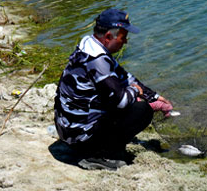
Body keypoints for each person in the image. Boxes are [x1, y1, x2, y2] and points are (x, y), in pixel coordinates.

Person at [54, 9, 173, 170]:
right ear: (109, 36)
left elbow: (125, 76)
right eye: (123, 38)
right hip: (79, 138)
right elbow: (122, 101)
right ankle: (98, 155)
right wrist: (136, 92)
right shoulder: (97, 61)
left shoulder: (89, 46)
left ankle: (99, 147)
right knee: (142, 110)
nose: (126, 42)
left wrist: (154, 96)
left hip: (68, 129)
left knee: (127, 99)